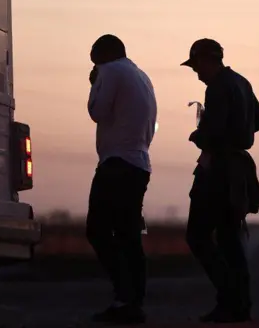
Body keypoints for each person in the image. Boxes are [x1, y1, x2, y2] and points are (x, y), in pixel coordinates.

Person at [181, 38, 259, 323]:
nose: (197, 72)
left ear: (207, 60)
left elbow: (213, 133)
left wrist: (199, 136)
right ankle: (240, 304)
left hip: (218, 170)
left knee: (198, 236)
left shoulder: (217, 88)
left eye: (197, 66)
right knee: (230, 239)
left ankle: (229, 298)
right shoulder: (242, 82)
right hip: (237, 170)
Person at [85, 34, 157, 324]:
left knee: (98, 230)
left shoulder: (111, 71)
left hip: (117, 162)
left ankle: (123, 296)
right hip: (139, 162)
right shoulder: (141, 75)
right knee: (128, 235)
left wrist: (95, 84)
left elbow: (97, 111)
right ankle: (132, 300)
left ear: (102, 56)